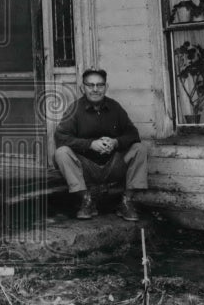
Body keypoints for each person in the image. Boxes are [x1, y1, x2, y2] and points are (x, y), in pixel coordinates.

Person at [53, 68, 148, 221]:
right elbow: (61, 137)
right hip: (86, 168)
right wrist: (90, 144)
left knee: (140, 149)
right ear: (82, 88)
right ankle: (87, 201)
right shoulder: (74, 109)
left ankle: (126, 202)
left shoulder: (115, 108)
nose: (95, 89)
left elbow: (133, 134)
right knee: (61, 152)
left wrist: (116, 142)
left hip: (113, 165)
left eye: (100, 85)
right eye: (90, 85)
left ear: (106, 87)